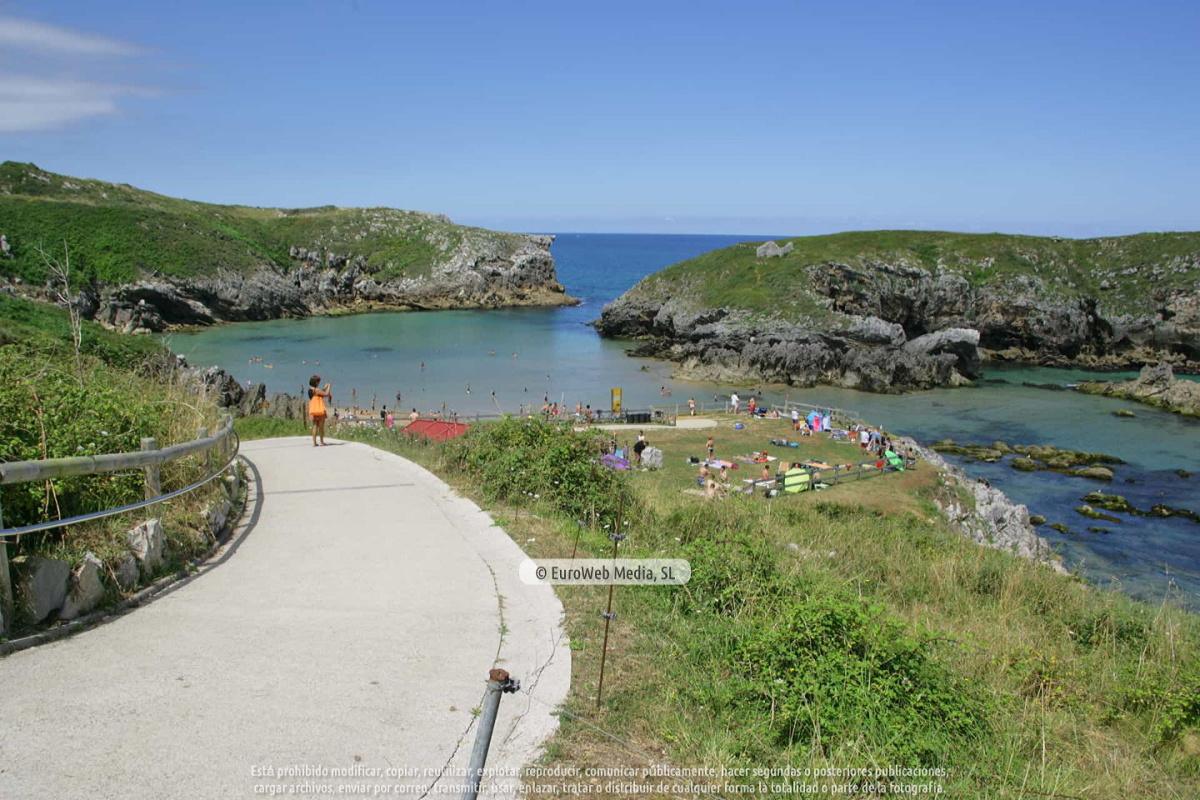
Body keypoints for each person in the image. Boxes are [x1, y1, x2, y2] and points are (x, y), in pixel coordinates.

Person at [307, 375, 332, 446]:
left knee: (315, 426)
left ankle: (314, 442)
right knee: (321, 426)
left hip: (313, 409)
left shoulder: (310, 389)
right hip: (320, 409)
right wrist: (329, 386)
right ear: (315, 382)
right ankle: (322, 441)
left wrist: (325, 387)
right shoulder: (316, 390)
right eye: (318, 382)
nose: (319, 383)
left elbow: (321, 392)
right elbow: (326, 394)